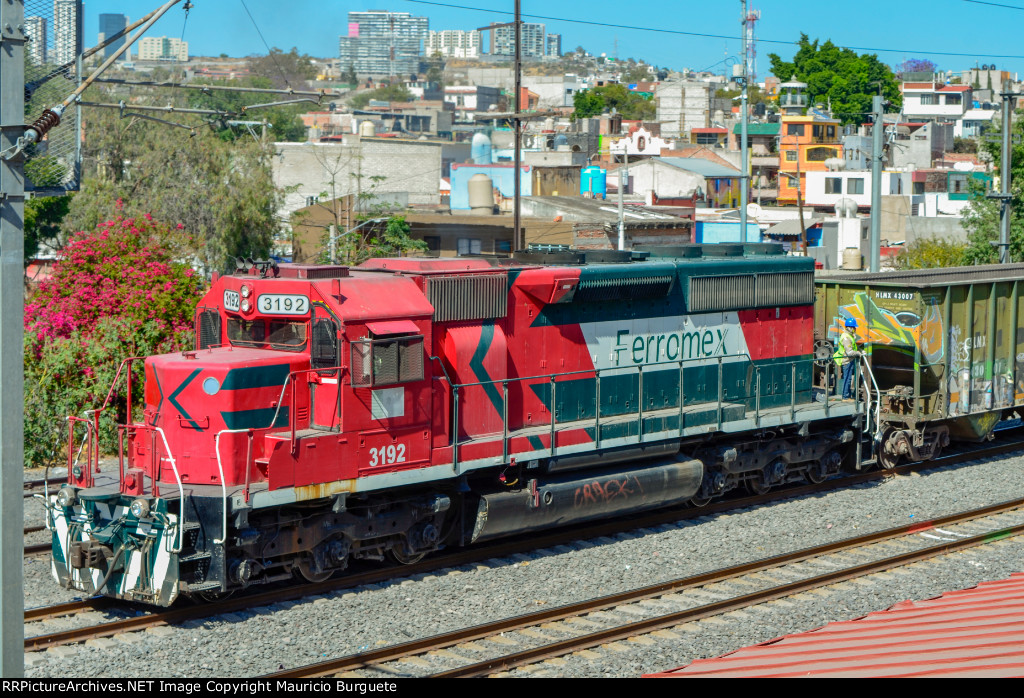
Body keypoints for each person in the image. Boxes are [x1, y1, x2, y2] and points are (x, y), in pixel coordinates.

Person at [833, 317, 862, 399]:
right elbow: (849, 352)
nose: (855, 329)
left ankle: (847, 396)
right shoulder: (846, 338)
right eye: (854, 327)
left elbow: (854, 347)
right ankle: (845, 397)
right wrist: (858, 353)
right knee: (847, 379)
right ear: (849, 328)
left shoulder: (849, 336)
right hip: (846, 360)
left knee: (848, 379)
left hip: (849, 360)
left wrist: (860, 351)